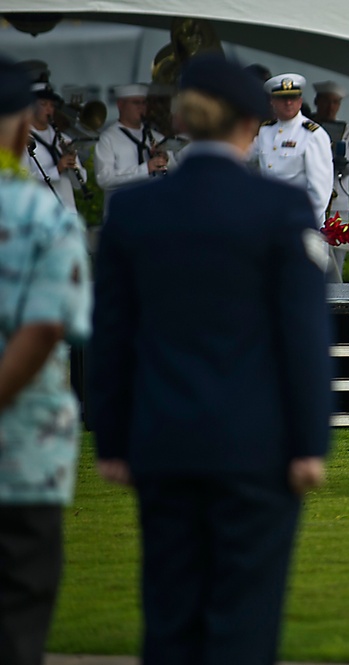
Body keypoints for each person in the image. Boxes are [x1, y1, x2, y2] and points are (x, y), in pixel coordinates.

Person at [88, 55, 332, 665]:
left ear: (183, 119)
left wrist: (112, 440)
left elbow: (112, 335)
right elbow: (300, 337)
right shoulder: (277, 211)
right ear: (251, 122)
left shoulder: (135, 211)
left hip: (163, 439)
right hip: (254, 446)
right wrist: (309, 444)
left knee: (171, 615)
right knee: (244, 619)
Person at [0, 55, 91, 665]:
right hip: (24, 451)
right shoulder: (42, 217)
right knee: (19, 615)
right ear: (20, 126)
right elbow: (45, 328)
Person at [249, 73, 333, 227]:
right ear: (273, 102)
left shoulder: (312, 134)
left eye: (293, 98)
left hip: (299, 223)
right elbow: (242, 157)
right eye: (282, 98)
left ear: (300, 101)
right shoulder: (266, 131)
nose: (288, 103)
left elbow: (320, 192)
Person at [312, 80, 349, 281]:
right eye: (327, 102)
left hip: (338, 201)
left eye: (335, 102)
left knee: (336, 259)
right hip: (313, 202)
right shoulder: (308, 127)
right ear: (317, 102)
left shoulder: (348, 131)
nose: (331, 107)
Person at [94, 84, 175, 203]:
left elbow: (177, 174)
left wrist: (167, 160)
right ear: (120, 105)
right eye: (136, 103)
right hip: (123, 211)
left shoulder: (157, 137)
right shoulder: (108, 138)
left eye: (144, 103)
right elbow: (104, 179)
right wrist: (144, 169)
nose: (141, 107)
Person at [24, 77, 89, 212]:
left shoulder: (63, 139)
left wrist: (73, 166)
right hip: (39, 214)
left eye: (52, 105)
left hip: (66, 212)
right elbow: (22, 181)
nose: (49, 109)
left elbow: (78, 183)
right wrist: (56, 170)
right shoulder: (22, 141)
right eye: (43, 104)